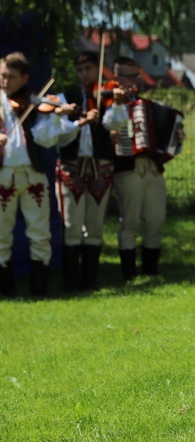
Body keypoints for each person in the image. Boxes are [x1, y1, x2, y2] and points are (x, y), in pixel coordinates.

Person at [0, 52, 78, 297]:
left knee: (40, 233)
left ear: (24, 78)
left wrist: (55, 117)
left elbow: (46, 139)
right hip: (3, 175)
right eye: (2, 76)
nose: (4, 82)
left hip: (34, 174)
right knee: (1, 234)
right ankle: (5, 290)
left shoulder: (36, 102)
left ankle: (38, 291)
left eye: (11, 77)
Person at [103, 56, 184, 281]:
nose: (132, 80)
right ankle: (129, 274)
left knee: (156, 219)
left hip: (152, 168)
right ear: (116, 77)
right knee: (129, 222)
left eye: (134, 75)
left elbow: (168, 145)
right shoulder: (110, 105)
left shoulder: (144, 105)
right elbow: (109, 124)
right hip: (128, 169)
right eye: (126, 76)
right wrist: (118, 104)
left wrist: (177, 141)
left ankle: (150, 269)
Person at [55, 51, 116, 291]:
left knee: (95, 225)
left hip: (100, 166)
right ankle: (70, 282)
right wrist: (79, 122)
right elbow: (60, 136)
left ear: (97, 70)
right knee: (71, 224)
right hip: (72, 166)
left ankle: (89, 281)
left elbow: (115, 124)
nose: (84, 74)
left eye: (89, 69)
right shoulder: (66, 98)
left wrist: (116, 105)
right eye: (80, 70)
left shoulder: (107, 96)